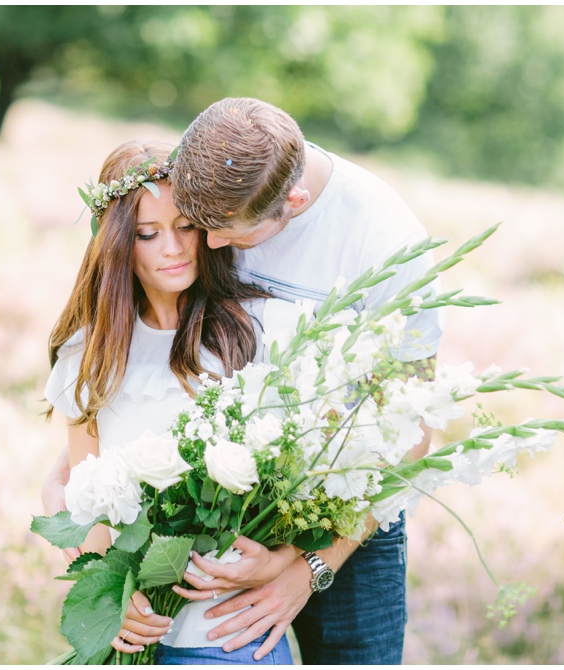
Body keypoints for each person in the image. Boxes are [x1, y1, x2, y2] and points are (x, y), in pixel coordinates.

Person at [161, 97, 444, 664]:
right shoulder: (219, 184)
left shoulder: (390, 246)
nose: (209, 246)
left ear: (296, 202)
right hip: (207, 498)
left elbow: (409, 432)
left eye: (228, 234)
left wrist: (308, 568)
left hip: (345, 519)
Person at [42, 138, 295, 664]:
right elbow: (85, 491)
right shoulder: (90, 351)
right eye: (147, 234)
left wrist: (286, 559)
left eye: (185, 227)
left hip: (227, 637)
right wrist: (115, 595)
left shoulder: (255, 333)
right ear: (115, 243)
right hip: (135, 635)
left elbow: (301, 481)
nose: (174, 249)